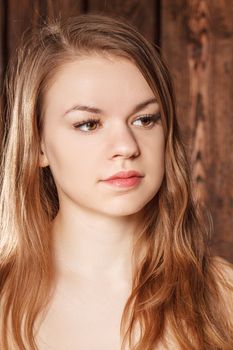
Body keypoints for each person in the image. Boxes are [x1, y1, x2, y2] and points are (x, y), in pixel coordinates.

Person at [0, 13, 232, 350]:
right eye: (88, 124)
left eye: (144, 119)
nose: (126, 146)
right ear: (37, 144)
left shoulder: (220, 295)